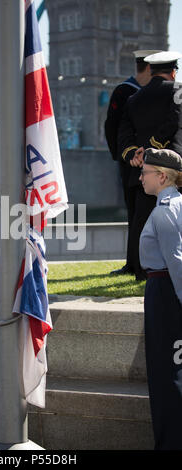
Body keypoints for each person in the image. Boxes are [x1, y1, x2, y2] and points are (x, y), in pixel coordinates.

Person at [118, 51, 182, 280]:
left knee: (141, 220)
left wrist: (134, 154)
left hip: (143, 168)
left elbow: (123, 134)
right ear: (173, 71)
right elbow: (175, 120)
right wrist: (155, 147)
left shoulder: (134, 98)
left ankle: (141, 270)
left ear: (152, 71)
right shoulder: (178, 89)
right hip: (173, 165)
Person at [139, 148, 182, 449]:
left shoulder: (165, 209)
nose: (140, 177)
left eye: (146, 172)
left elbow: (176, 261)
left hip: (165, 292)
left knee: (165, 374)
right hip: (168, 290)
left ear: (163, 176)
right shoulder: (176, 204)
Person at [105, 50, 161, 276]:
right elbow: (113, 127)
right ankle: (134, 262)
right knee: (135, 215)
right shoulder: (125, 92)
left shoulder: (145, 93)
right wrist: (122, 158)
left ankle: (141, 262)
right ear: (149, 68)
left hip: (146, 162)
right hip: (132, 163)